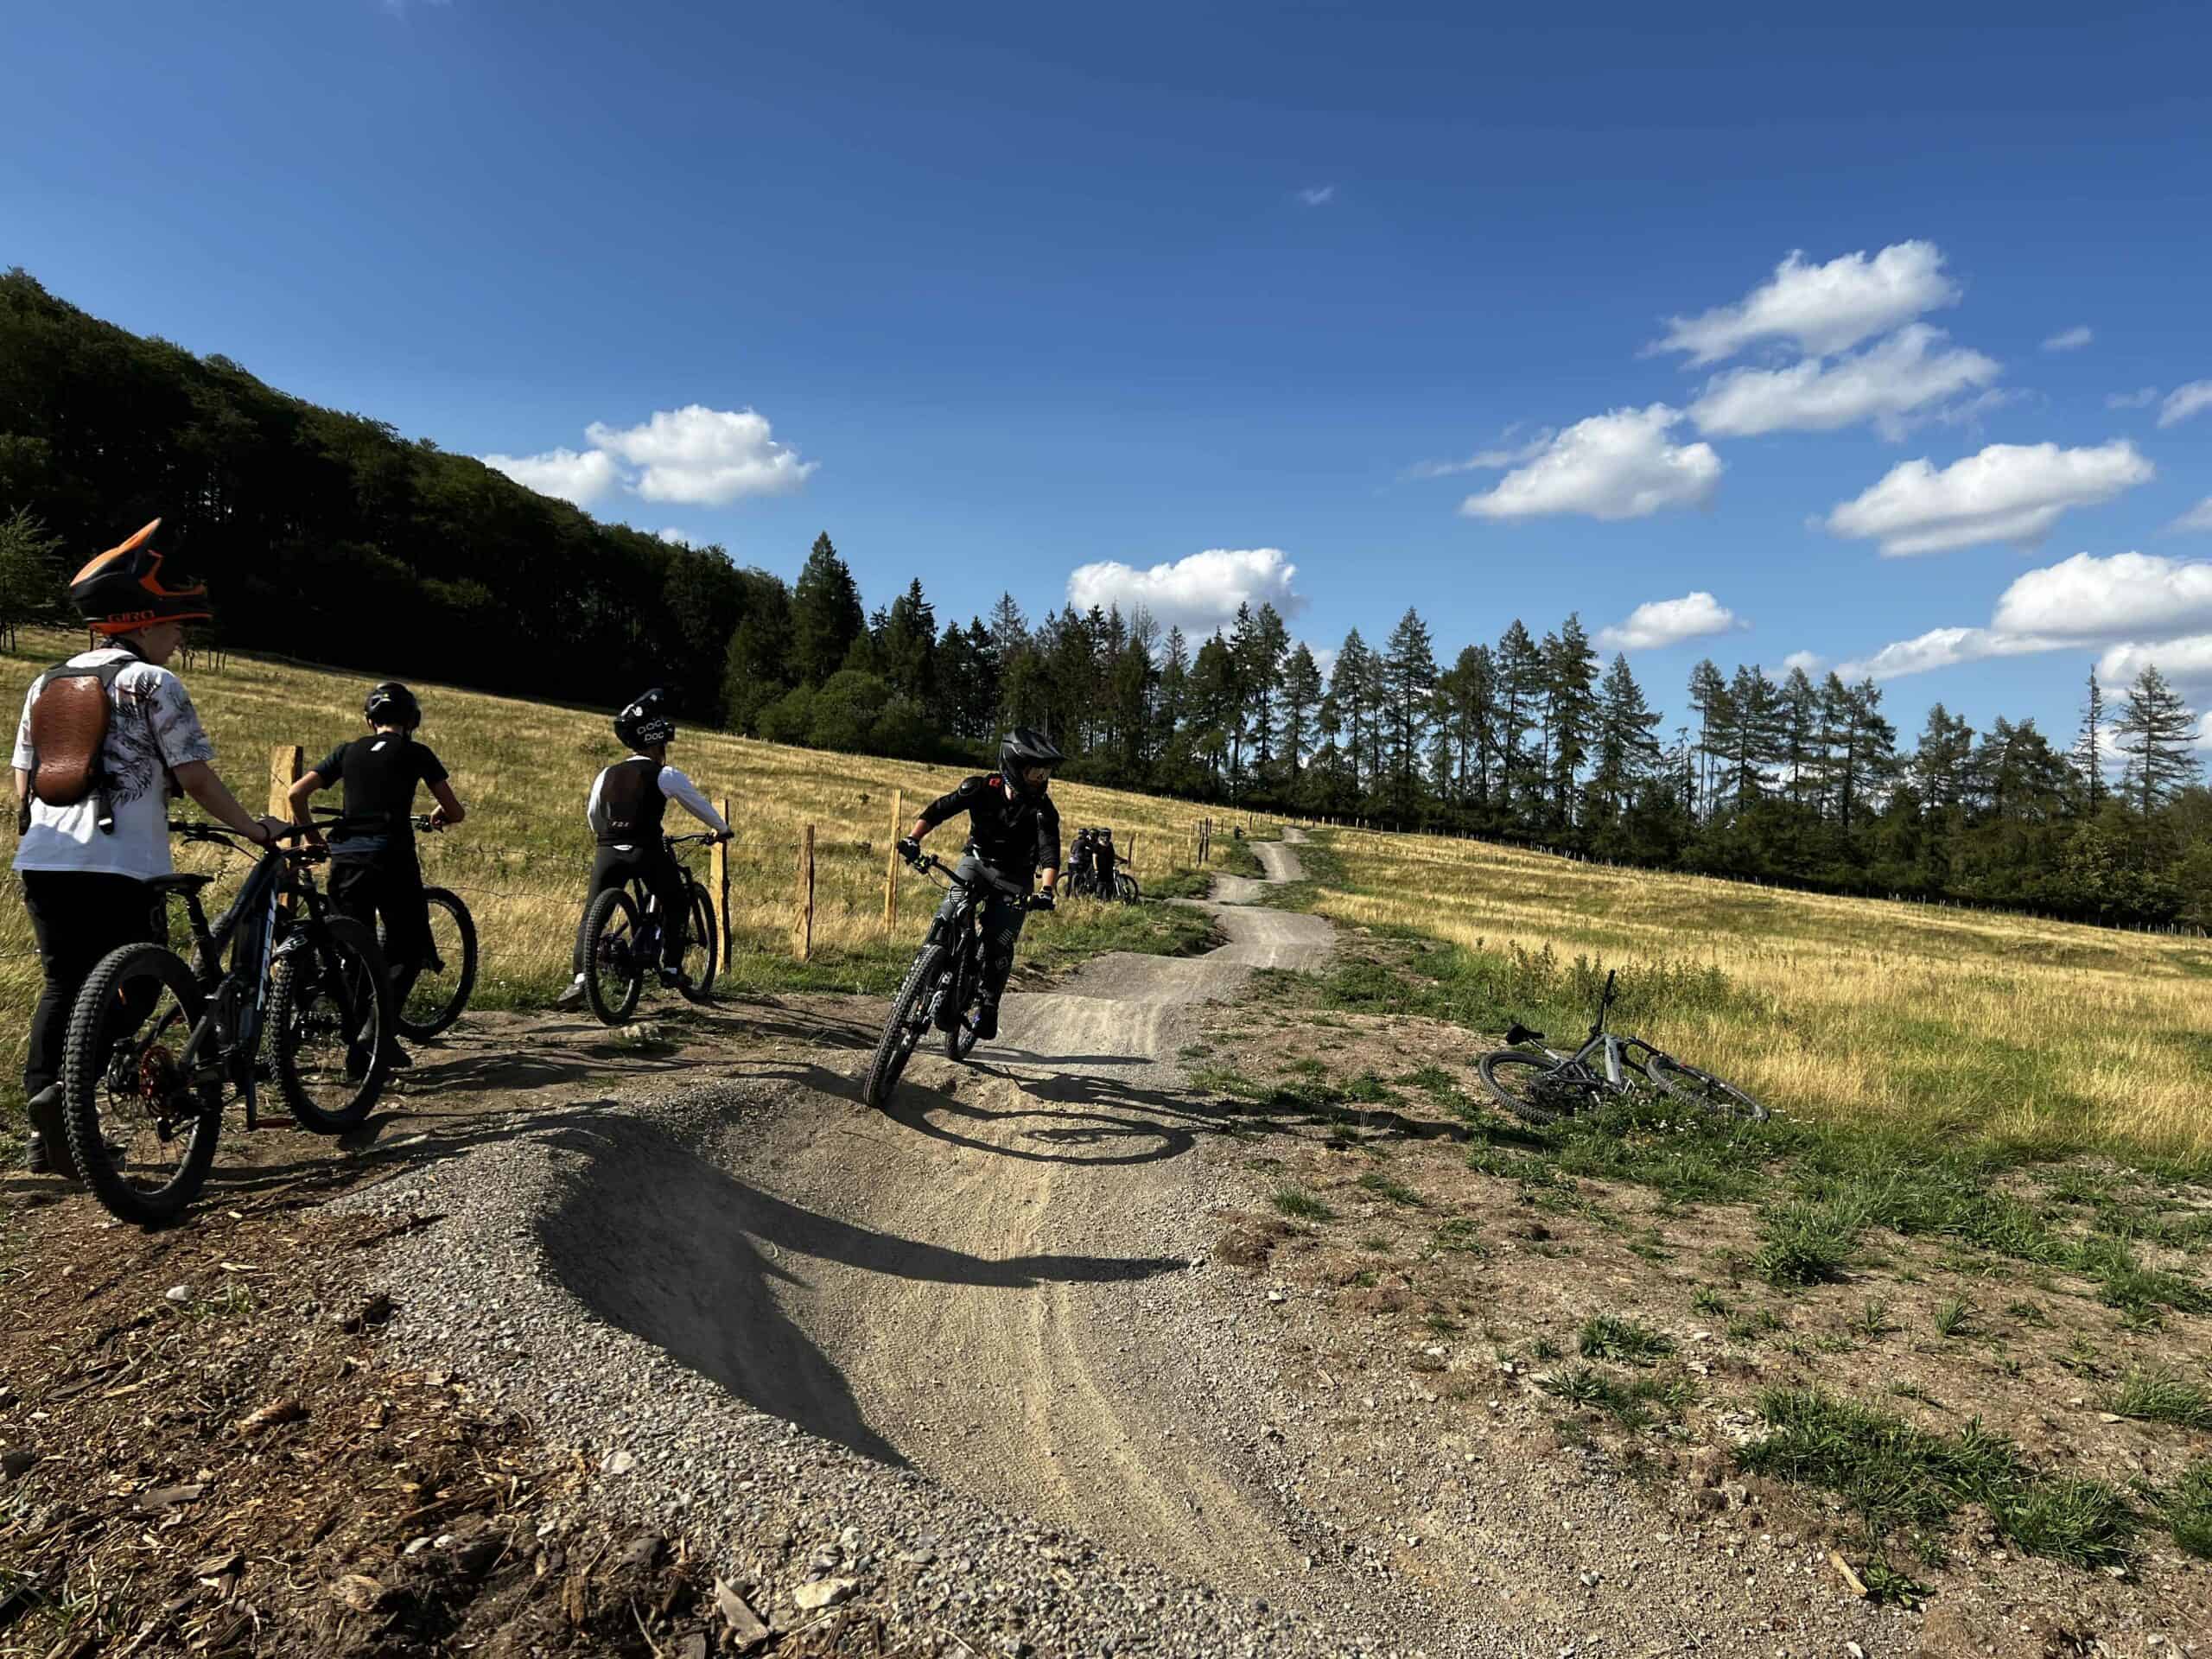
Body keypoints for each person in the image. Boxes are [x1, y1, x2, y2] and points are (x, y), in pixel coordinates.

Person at [11, 519, 287, 1179]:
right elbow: (193, 774)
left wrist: (36, 823)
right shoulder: (153, 685)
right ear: (142, 620)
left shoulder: (46, 680)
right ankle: (73, 1106)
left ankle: (44, 1118)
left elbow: (23, 770)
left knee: (61, 987)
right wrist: (253, 828)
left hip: (45, 859)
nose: (181, 636)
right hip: (121, 864)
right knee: (129, 989)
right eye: (175, 625)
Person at [289, 682, 467, 1067]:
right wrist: (440, 814)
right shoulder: (417, 752)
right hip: (391, 857)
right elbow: (455, 811)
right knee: (409, 947)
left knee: (354, 949)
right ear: (412, 721)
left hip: (346, 857)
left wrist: (313, 841)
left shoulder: (347, 752)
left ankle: (356, 1042)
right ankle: (377, 1032)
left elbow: (295, 795)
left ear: (369, 721)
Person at [555, 687, 729, 1010]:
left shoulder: (606, 774)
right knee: (676, 901)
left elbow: (594, 815)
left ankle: (580, 978)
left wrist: (606, 835)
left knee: (594, 910)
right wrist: (722, 828)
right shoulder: (665, 774)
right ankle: (671, 967)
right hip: (645, 849)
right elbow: (698, 805)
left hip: (608, 850)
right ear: (655, 743)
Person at [895, 728, 1063, 1042]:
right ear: (1014, 766)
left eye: (1045, 773)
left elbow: (1049, 851)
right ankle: (923, 977)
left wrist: (1047, 891)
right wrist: (912, 839)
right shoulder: (982, 788)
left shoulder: (1043, 810)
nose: (1041, 779)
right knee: (948, 913)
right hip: (977, 863)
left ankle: (988, 1003)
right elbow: (940, 809)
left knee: (1000, 941)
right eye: (1035, 772)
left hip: (1016, 878)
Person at [1067, 826, 1096, 896]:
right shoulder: (1085, 841)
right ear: (1086, 835)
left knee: (1070, 879)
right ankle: (1083, 889)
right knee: (1086, 872)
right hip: (1079, 862)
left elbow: (1071, 850)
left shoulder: (1075, 841)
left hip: (1071, 861)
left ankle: (1067, 894)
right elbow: (1094, 849)